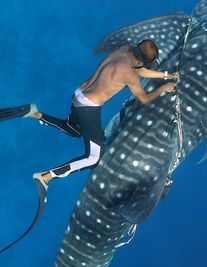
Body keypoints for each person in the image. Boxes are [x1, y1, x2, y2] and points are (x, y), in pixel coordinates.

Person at [30, 39, 179, 200]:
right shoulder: (129, 74)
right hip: (88, 107)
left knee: (72, 129)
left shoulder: (124, 49)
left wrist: (166, 75)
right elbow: (144, 98)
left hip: (79, 93)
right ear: (139, 61)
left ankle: (38, 115)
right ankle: (46, 177)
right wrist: (165, 88)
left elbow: (140, 70)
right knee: (93, 158)